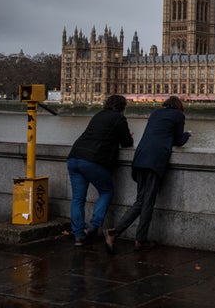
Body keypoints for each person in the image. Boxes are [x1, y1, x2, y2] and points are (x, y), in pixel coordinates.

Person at [104, 95, 191, 252]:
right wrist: (187, 135)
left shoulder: (155, 113)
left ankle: (139, 239)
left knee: (143, 200)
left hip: (140, 157)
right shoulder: (179, 115)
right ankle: (115, 232)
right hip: (154, 160)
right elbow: (178, 140)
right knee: (145, 202)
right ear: (179, 106)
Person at [67, 94, 134, 246]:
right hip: (92, 161)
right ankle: (94, 226)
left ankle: (78, 236)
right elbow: (127, 142)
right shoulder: (119, 118)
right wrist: (127, 136)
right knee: (106, 191)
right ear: (122, 108)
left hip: (74, 157)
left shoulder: (98, 115)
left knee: (78, 199)